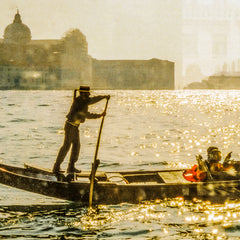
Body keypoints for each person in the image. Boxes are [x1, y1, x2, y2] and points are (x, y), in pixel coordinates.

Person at [52, 86, 110, 174]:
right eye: (87, 93)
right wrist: (100, 115)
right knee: (66, 147)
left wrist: (103, 97)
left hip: (75, 127)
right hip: (70, 126)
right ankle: (56, 167)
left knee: (76, 146)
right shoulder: (79, 102)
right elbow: (88, 114)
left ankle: (71, 167)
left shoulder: (84, 100)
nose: (89, 95)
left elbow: (93, 99)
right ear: (83, 93)